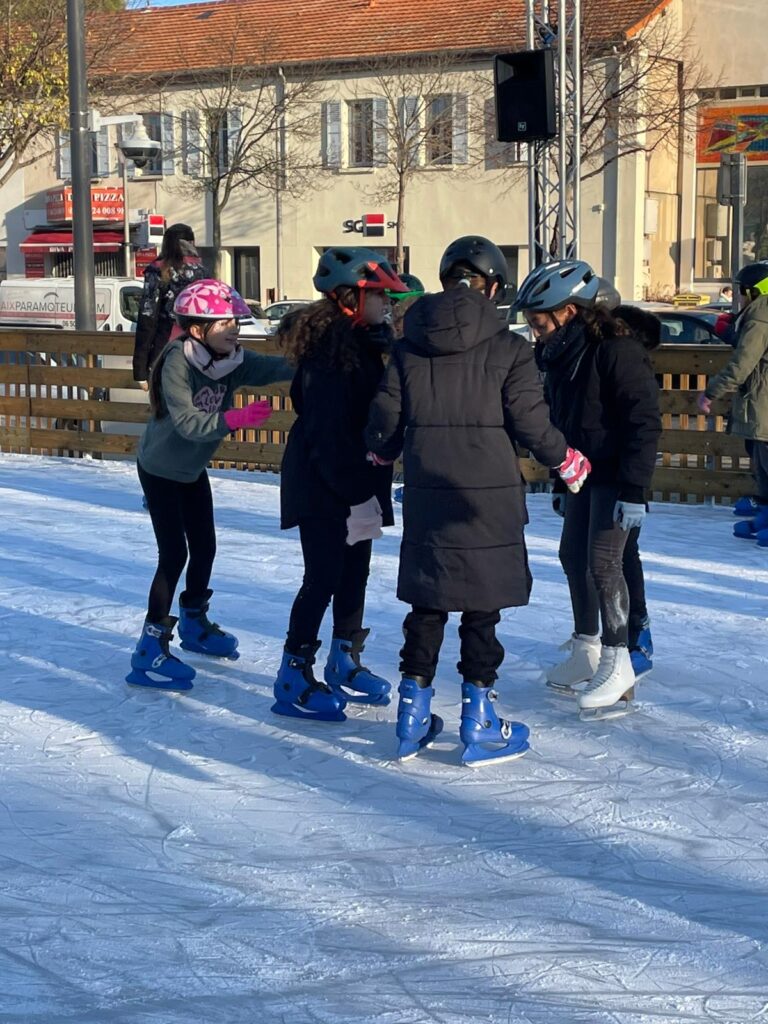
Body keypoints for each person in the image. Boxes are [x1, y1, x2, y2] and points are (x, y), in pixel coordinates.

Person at [365, 235, 591, 766]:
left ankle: (411, 716)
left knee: (428, 604)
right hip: (486, 500)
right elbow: (531, 422)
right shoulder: (510, 348)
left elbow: (384, 423)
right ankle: (478, 720)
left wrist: (380, 454)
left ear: (446, 282)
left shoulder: (408, 346)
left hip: (429, 494)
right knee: (480, 611)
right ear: (492, 287)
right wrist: (567, 460)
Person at [127, 279, 292, 691]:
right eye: (224, 322)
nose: (234, 328)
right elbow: (186, 424)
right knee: (174, 555)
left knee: (206, 546)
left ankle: (195, 624)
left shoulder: (231, 359)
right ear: (197, 328)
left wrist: (319, 361)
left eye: (235, 320)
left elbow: (277, 368)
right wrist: (235, 419)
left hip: (191, 470)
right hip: (161, 468)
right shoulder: (176, 363)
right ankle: (150, 647)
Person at [514, 259, 661, 720]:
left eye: (539, 322)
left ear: (570, 312)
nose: (535, 332)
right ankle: (588, 649)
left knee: (603, 562)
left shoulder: (617, 350)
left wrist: (635, 490)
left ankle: (620, 665)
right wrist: (561, 479)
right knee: (571, 556)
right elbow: (561, 422)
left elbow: (644, 421)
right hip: (583, 474)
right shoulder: (559, 355)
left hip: (617, 476)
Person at [274, 247, 408, 723]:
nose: (387, 306)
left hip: (357, 480)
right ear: (351, 297)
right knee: (324, 577)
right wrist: (354, 494)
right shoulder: (331, 355)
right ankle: (294, 671)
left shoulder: (366, 344)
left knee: (355, 574)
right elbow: (328, 435)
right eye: (379, 296)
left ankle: (344, 659)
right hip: (323, 484)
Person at [698, 261, 768, 543]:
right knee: (761, 464)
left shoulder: (761, 316)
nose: (736, 298)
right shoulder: (757, 316)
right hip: (760, 401)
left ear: (753, 292)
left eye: (740, 292)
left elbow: (743, 363)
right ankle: (764, 515)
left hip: (763, 404)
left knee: (765, 462)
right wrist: (734, 334)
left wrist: (711, 392)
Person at [133, 223, 206, 388]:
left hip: (167, 348)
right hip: (200, 351)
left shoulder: (159, 269)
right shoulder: (202, 271)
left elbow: (147, 317)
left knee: (166, 407)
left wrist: (140, 369)